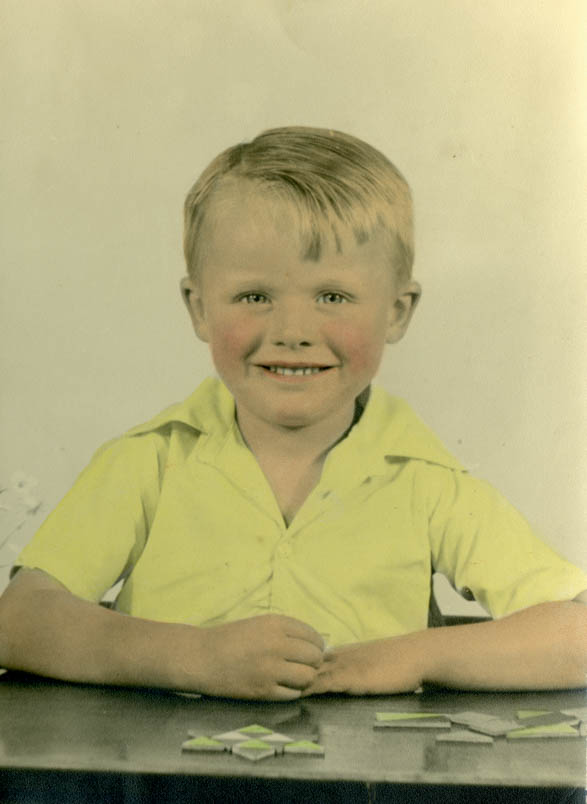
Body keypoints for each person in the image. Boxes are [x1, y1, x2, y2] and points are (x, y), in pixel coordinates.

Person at [0, 127, 585, 701]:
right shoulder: (150, 461)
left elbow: (577, 633)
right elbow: (20, 620)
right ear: (198, 309)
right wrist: (195, 659)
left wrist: (407, 657)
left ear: (397, 312)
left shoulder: (428, 482)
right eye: (255, 296)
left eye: (332, 296)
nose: (293, 333)